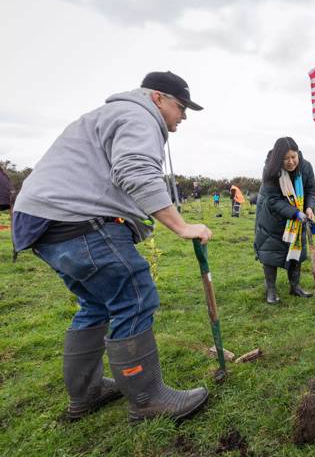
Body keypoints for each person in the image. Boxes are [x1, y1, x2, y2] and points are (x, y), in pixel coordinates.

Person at [11, 71, 211, 422]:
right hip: (75, 220)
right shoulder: (138, 117)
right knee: (134, 295)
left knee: (96, 304)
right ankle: (148, 401)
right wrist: (181, 226)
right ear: (157, 98)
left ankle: (86, 392)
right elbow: (135, 170)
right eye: (181, 107)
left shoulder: (111, 115)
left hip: (40, 221)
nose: (183, 117)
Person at [254, 137, 315, 305]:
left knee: (296, 250)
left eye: (293, 157)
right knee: (271, 252)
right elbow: (273, 200)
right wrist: (295, 213)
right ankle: (271, 289)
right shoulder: (271, 170)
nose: (290, 162)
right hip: (272, 218)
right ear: (278, 158)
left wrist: (309, 208)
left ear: (298, 154)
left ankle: (295, 286)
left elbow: (311, 189)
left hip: (298, 217)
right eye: (286, 158)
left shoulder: (306, 167)